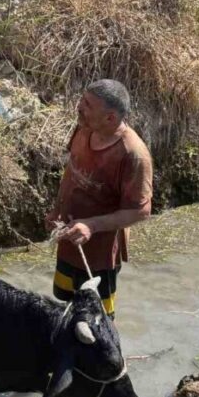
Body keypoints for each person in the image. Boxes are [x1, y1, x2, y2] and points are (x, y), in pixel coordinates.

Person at [49, 79, 153, 318]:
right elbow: (71, 169)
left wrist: (91, 226)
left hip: (100, 254)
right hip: (69, 238)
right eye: (82, 100)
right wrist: (57, 209)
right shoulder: (85, 127)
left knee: (96, 319)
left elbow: (141, 211)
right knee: (64, 306)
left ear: (110, 118)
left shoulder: (133, 155)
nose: (79, 107)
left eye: (87, 105)